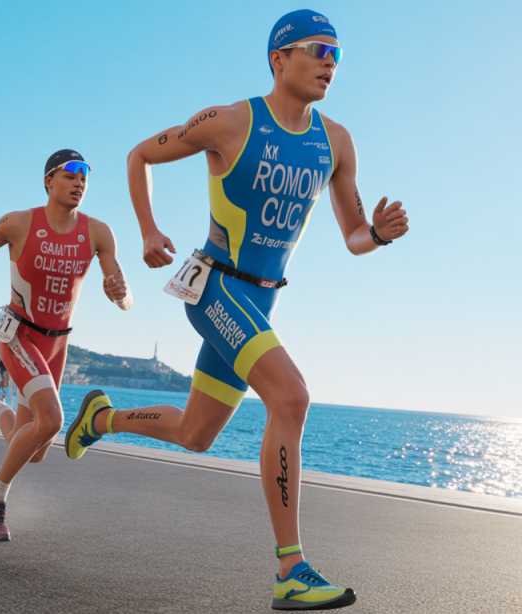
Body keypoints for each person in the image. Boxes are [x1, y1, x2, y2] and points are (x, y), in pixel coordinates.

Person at [65, 11, 409, 610]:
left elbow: (354, 234)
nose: (330, 63)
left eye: (338, 54)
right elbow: (139, 155)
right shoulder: (229, 122)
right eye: (318, 49)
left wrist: (376, 234)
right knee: (291, 397)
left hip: (263, 299)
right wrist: (148, 230)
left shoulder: (336, 142)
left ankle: (101, 419)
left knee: (197, 434)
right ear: (279, 58)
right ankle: (291, 571)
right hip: (216, 289)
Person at [0, 149, 132, 541]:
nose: (80, 182)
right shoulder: (18, 222)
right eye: (71, 174)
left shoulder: (98, 232)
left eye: (85, 176)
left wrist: (121, 296)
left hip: (57, 345)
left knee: (35, 449)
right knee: (51, 420)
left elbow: (125, 297)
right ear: (48, 181)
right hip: (19, 335)